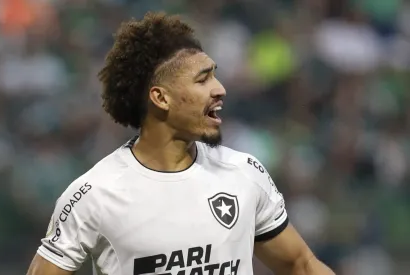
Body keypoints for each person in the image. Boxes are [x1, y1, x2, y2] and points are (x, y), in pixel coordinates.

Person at [26, 12, 335, 275]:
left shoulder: (243, 172)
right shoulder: (95, 194)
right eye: (202, 80)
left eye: (215, 76)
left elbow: (301, 264)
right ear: (161, 98)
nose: (220, 89)